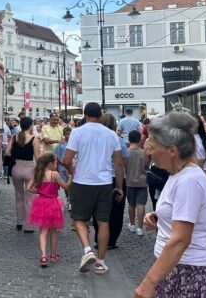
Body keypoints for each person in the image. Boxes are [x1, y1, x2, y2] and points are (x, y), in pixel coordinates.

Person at [134, 112, 206, 298]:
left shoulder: (188, 181)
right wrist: (159, 217)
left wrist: (148, 283)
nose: (148, 151)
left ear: (172, 150)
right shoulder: (179, 175)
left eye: (153, 145)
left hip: (188, 272)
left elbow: (181, 239)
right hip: (177, 268)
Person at [64, 102, 123, 275]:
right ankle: (100, 262)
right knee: (103, 222)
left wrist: (72, 171)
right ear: (100, 114)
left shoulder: (77, 132)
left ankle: (88, 250)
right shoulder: (112, 134)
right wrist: (119, 187)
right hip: (104, 182)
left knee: (79, 219)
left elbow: (67, 160)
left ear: (85, 114)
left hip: (83, 182)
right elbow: (119, 164)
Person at [27, 154, 71, 267]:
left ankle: (43, 256)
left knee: (43, 231)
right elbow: (65, 186)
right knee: (53, 231)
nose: (56, 165)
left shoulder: (39, 174)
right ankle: (53, 254)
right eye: (56, 163)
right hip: (53, 204)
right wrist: (71, 178)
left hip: (41, 203)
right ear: (50, 163)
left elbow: (28, 188)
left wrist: (39, 192)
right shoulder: (54, 174)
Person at [93, 113, 128, 250]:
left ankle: (98, 239)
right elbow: (123, 160)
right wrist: (120, 186)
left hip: (99, 178)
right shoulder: (117, 139)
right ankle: (111, 240)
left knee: (99, 210)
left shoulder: (94, 139)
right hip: (114, 177)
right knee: (116, 211)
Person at [6, 116, 41, 233]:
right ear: (31, 126)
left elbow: (7, 152)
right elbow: (37, 157)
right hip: (30, 169)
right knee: (30, 199)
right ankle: (29, 226)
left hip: (16, 169)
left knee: (19, 197)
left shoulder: (14, 137)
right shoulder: (34, 139)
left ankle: (20, 222)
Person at [125, 130, 149, 236]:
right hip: (142, 181)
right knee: (141, 204)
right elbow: (147, 166)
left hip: (129, 181)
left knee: (131, 204)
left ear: (129, 139)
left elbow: (123, 167)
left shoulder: (126, 152)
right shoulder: (144, 152)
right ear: (140, 139)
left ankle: (132, 224)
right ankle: (140, 227)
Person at [54, 126, 72, 210]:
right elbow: (57, 157)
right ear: (64, 135)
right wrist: (65, 165)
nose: (69, 135)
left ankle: (71, 201)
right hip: (62, 168)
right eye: (67, 134)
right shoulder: (60, 145)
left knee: (72, 185)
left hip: (71, 167)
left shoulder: (73, 144)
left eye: (70, 133)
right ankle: (68, 200)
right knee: (65, 185)